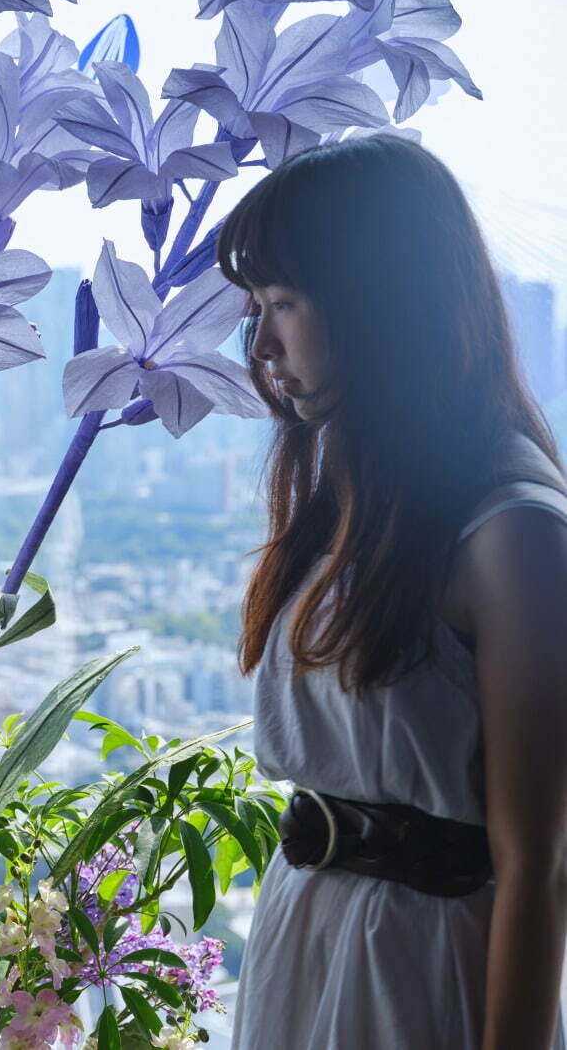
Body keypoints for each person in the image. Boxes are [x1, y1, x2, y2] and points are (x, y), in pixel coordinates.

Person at [218, 132, 567, 1049]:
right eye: (258, 304)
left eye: (285, 301)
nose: (261, 340)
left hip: (418, 970)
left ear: (380, 303)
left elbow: (541, 862)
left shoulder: (513, 529)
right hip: (306, 944)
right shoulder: (358, 500)